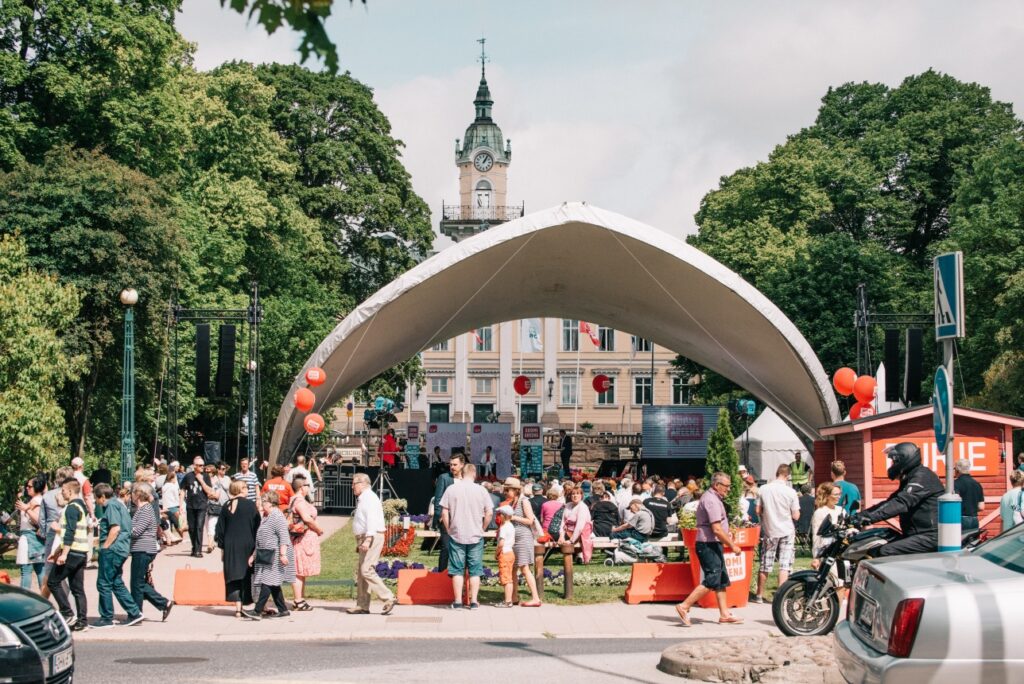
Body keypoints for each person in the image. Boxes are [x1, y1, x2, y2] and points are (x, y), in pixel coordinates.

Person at [675, 472, 744, 626]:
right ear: (716, 485)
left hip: (712, 544)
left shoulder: (713, 498)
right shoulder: (711, 500)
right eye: (726, 486)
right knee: (713, 578)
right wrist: (732, 546)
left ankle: (725, 614)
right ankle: (684, 606)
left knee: (721, 579)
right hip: (708, 544)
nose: (728, 489)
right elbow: (717, 529)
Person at [855, 442, 943, 555]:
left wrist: (867, 519)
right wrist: (860, 516)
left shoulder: (921, 477)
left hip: (929, 536)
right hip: (917, 534)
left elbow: (900, 503)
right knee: (882, 537)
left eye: (894, 461)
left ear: (903, 459)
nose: (892, 465)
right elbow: (890, 502)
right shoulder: (911, 477)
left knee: (885, 551)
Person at [440, 463, 493, 610]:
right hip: (476, 535)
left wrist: (448, 528)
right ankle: (474, 601)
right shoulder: (481, 490)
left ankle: (457, 601)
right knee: (475, 569)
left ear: (462, 474)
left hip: (457, 534)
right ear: (474, 474)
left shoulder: (451, 489)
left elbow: (444, 512)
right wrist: (483, 528)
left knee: (457, 569)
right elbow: (489, 513)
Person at [93, 483, 143, 628]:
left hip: (113, 549)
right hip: (121, 549)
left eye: (96, 498)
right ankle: (134, 612)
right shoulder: (120, 505)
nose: (96, 501)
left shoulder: (111, 506)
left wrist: (105, 547)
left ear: (102, 497)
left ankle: (106, 617)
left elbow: (115, 528)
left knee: (103, 583)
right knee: (116, 582)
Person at [347, 473, 394, 615]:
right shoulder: (364, 498)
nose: (352, 486)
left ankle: (388, 597)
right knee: (362, 573)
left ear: (362, 483)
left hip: (371, 537)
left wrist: (367, 539)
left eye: (354, 483)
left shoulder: (369, 498)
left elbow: (372, 520)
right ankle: (362, 605)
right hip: (366, 537)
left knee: (366, 569)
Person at [242, 491, 294, 620]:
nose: (260, 504)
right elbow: (260, 539)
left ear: (270, 503)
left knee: (267, 581)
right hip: (266, 554)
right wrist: (253, 555)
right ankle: (283, 610)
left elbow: (284, 537)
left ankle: (257, 610)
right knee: (273, 583)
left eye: (262, 501)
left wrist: (283, 554)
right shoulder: (267, 516)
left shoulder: (277, 516)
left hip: (276, 555)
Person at [753, 464, 801, 604]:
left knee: (765, 563)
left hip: (770, 529)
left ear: (776, 473)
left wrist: (765, 515)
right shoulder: (790, 492)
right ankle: (781, 596)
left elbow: (757, 510)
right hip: (786, 529)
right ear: (788, 476)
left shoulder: (763, 489)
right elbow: (796, 515)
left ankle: (759, 595)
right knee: (784, 564)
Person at [47, 479, 90, 630]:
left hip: (72, 552)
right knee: (77, 588)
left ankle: (67, 612)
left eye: (63, 490)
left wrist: (63, 554)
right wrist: (56, 552)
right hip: (81, 551)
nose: (62, 492)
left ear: (70, 491)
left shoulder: (71, 508)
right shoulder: (81, 506)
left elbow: (69, 532)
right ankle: (82, 621)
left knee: (53, 582)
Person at [216, 480, 261, 618]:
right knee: (246, 574)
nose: (248, 489)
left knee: (233, 575)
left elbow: (220, 530)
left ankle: (237, 608)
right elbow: (257, 525)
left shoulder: (226, 506)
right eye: (246, 487)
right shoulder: (250, 505)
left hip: (230, 544)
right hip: (246, 543)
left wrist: (222, 549)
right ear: (241, 489)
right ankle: (247, 603)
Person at [129, 484, 174, 622]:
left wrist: (124, 529)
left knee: (137, 583)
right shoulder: (143, 509)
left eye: (132, 493)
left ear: (137, 494)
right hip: (142, 548)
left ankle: (141, 611)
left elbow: (136, 531)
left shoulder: (145, 509)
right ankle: (156, 605)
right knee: (138, 582)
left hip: (143, 549)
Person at [502, 477, 542, 607]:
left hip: (523, 537)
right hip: (513, 538)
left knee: (524, 568)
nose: (506, 492)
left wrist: (512, 517)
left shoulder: (524, 501)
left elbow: (530, 520)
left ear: (516, 490)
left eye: (509, 489)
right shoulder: (511, 502)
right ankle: (514, 596)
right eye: (506, 489)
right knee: (513, 568)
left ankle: (535, 598)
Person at [288, 474, 324, 612]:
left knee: (300, 570)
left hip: (300, 538)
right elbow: (306, 519)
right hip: (303, 538)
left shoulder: (295, 499)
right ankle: (298, 600)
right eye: (308, 485)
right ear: (302, 487)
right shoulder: (300, 501)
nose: (309, 487)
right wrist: (319, 529)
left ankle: (300, 599)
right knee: (299, 569)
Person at [38, 466, 74, 600]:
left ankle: (43, 602)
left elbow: (42, 520)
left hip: (52, 535)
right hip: (71, 536)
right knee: (71, 572)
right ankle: (72, 606)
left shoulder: (47, 496)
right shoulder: (76, 495)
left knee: (48, 570)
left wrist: (44, 533)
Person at [180, 456, 217, 557]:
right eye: (200, 465)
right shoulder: (188, 476)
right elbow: (183, 490)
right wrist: (180, 505)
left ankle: (198, 551)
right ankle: (194, 547)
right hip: (190, 505)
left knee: (199, 527)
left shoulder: (205, 476)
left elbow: (209, 491)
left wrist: (201, 480)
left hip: (202, 505)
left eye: (203, 465)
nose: (202, 467)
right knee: (192, 528)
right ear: (194, 466)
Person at [14, 475, 46, 592]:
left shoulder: (36, 501)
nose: (27, 488)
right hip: (35, 539)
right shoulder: (36, 500)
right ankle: (44, 598)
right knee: (39, 569)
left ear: (37, 487)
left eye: (29, 486)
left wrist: (26, 509)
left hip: (30, 538)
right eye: (26, 486)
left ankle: (24, 598)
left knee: (26, 569)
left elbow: (39, 520)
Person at [432, 453, 463, 573]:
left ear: (462, 465)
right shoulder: (444, 478)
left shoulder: (466, 479)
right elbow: (438, 498)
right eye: (450, 465)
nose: (452, 467)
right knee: (446, 547)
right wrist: (439, 516)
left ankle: (458, 573)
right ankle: (441, 574)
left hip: (462, 518)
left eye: (455, 465)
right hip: (447, 518)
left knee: (460, 548)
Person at [558, 486, 594, 563]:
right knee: (554, 536)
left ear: (581, 495)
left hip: (579, 534)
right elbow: (563, 522)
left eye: (577, 494)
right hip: (567, 531)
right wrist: (561, 536)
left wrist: (571, 541)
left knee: (555, 537)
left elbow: (579, 527)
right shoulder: (567, 505)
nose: (575, 496)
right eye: (573, 494)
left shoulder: (582, 507)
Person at [493, 505, 517, 607]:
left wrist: (496, 553)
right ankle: (508, 600)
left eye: (499, 514)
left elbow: (501, 543)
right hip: (510, 552)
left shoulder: (503, 527)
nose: (498, 516)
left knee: (506, 578)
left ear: (504, 515)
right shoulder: (511, 526)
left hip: (504, 552)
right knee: (509, 577)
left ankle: (508, 601)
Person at [953, 458, 985, 531]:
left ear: (957, 470)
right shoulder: (977, 484)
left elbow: (954, 504)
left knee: (960, 542)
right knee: (973, 542)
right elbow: (981, 507)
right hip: (974, 520)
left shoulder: (955, 484)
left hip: (961, 520)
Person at [206, 462, 231, 553]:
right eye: (222, 469)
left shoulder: (227, 479)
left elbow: (230, 490)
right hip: (215, 504)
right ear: (218, 469)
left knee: (225, 524)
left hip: (226, 503)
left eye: (225, 469)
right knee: (211, 524)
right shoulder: (214, 479)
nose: (224, 471)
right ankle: (210, 543)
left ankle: (221, 540)